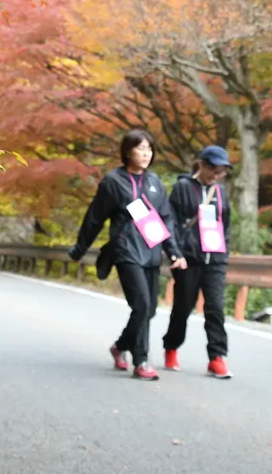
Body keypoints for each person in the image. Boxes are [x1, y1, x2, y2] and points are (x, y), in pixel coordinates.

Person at [69, 129, 187, 381]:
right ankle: (142, 360)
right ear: (127, 151)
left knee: (150, 309)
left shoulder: (154, 182)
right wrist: (80, 248)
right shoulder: (114, 181)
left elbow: (166, 219)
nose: (146, 154)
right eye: (140, 148)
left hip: (152, 251)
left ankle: (120, 346)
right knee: (142, 305)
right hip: (126, 251)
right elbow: (95, 218)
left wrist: (174, 252)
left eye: (149, 149)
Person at [163, 144, 233, 379]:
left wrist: (224, 253)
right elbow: (171, 222)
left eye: (221, 171)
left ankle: (216, 357)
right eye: (213, 169)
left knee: (215, 308)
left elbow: (226, 224)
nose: (216, 175)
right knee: (183, 307)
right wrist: (176, 253)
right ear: (201, 165)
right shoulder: (183, 187)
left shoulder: (221, 192)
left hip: (215, 258)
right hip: (189, 259)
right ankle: (171, 347)